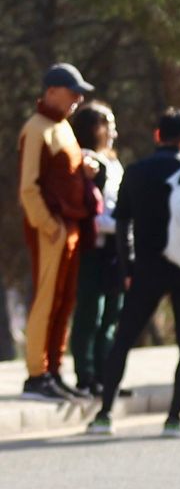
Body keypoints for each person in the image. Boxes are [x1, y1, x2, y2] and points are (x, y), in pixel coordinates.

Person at [86, 109, 180, 439]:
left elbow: (122, 223)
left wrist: (127, 266)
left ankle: (104, 415)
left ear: (157, 135)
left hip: (147, 268)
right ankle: (174, 419)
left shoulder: (137, 171)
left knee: (123, 341)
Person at [18, 62, 95, 401]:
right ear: (51, 91)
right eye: (72, 91)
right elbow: (28, 187)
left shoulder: (62, 127)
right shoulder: (36, 129)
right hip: (52, 228)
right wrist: (50, 226)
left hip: (70, 226)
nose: (77, 98)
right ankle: (36, 373)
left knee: (64, 301)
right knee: (47, 299)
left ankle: (52, 369)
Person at [68, 101, 123, 397]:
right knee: (91, 312)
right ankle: (86, 375)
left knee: (112, 315)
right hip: (92, 248)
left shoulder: (113, 162)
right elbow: (90, 212)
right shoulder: (85, 162)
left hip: (116, 251)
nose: (113, 130)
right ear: (93, 128)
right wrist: (121, 223)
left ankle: (108, 375)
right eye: (108, 124)